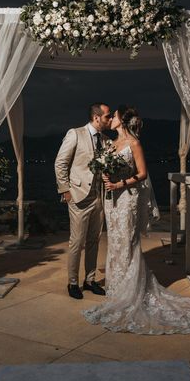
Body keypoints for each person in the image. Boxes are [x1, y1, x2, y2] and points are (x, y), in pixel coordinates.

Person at [83, 105, 190, 334]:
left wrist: (119, 183)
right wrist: (106, 175)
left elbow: (142, 173)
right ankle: (117, 288)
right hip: (112, 200)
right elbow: (110, 168)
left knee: (128, 243)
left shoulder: (134, 143)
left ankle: (130, 291)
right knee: (115, 242)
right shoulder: (112, 144)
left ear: (122, 120)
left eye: (114, 116)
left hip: (127, 199)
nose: (111, 118)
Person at [54, 103, 112, 299]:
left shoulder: (105, 140)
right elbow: (60, 163)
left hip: (98, 197)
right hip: (78, 196)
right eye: (107, 117)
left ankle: (90, 280)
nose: (109, 119)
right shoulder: (75, 134)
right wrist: (65, 190)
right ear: (96, 117)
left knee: (94, 240)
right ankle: (72, 283)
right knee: (77, 242)